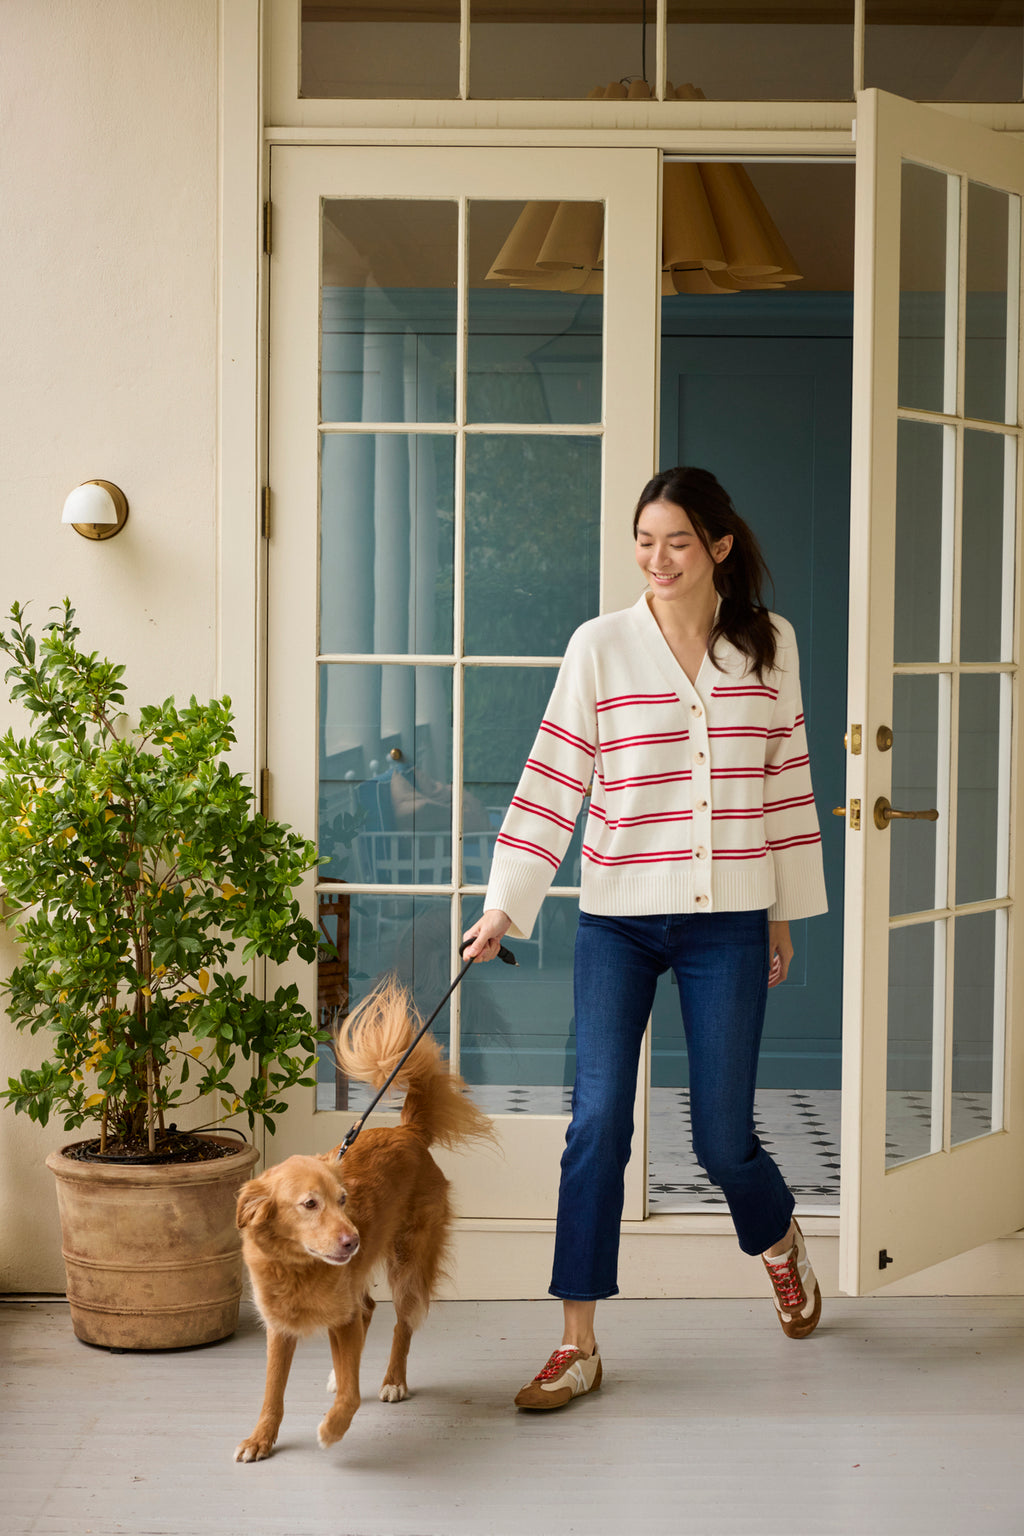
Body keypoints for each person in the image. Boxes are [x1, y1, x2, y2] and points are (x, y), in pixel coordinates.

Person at [462, 465, 828, 1411]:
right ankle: (576, 1343)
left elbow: (785, 784)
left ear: (718, 546)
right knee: (596, 1125)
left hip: (730, 920)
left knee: (722, 1139)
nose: (656, 559)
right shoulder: (601, 646)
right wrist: (505, 903)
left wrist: (781, 909)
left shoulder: (769, 645)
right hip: (618, 919)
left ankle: (778, 1239)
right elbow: (554, 779)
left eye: (676, 542)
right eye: (644, 541)